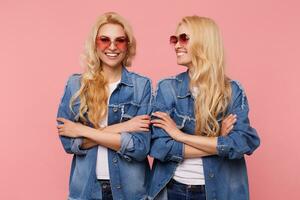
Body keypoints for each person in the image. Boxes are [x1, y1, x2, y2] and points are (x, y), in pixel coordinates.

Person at [148, 15, 260, 200]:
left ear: (204, 42)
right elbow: (159, 146)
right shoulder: (167, 88)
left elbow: (242, 143)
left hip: (218, 191)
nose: (176, 45)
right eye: (174, 39)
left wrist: (179, 135)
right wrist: (219, 141)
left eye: (184, 38)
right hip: (172, 189)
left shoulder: (232, 91)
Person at [56, 12, 151, 200]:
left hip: (130, 192)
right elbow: (69, 144)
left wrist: (82, 130)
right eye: (104, 40)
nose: (112, 47)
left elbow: (140, 148)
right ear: (94, 44)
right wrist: (123, 128)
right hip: (87, 190)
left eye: (120, 41)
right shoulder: (76, 85)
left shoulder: (142, 86)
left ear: (128, 45)